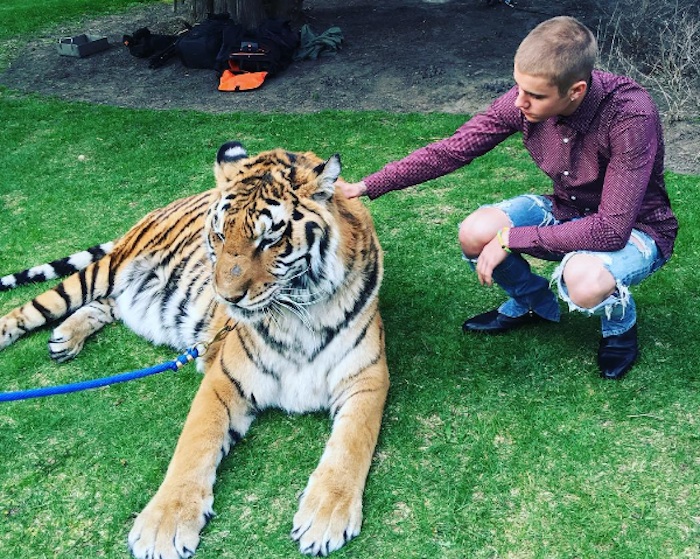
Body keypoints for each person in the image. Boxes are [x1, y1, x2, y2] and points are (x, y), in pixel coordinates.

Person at [337, 16, 678, 380]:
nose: (520, 102)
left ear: (575, 91)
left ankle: (619, 324)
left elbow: (611, 230)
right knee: (475, 232)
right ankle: (533, 303)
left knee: (585, 280)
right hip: (567, 210)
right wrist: (368, 186)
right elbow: (452, 150)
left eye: (535, 95)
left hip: (636, 230)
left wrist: (511, 239)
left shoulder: (630, 116)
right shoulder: (525, 100)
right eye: (517, 87)